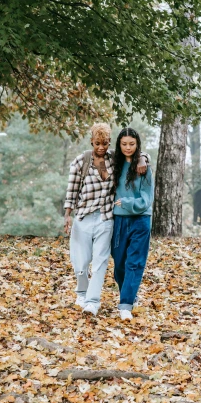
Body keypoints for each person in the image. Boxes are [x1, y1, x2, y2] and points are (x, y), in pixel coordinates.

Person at [63, 122, 148, 316]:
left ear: (110, 142)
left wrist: (142, 158)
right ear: (91, 141)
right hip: (83, 217)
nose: (101, 147)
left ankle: (93, 302)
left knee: (100, 261)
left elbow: (134, 155)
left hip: (105, 218)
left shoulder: (114, 159)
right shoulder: (81, 161)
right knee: (81, 263)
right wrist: (68, 216)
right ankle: (82, 292)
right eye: (97, 143)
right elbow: (72, 191)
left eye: (105, 143)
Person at [111, 127, 154, 321]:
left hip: (141, 219)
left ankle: (126, 305)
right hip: (119, 219)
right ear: (119, 145)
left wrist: (129, 203)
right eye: (124, 144)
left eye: (132, 144)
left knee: (134, 263)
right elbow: (96, 152)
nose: (128, 147)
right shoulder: (114, 164)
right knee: (119, 264)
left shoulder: (143, 167)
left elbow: (147, 197)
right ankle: (129, 295)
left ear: (137, 145)